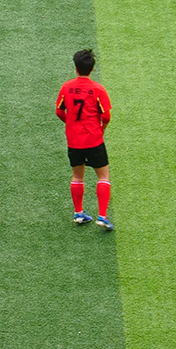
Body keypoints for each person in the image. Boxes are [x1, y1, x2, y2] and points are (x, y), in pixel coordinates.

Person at [55, 48, 114, 230]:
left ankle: (78, 213)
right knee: (103, 176)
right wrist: (101, 129)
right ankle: (102, 216)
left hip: (74, 141)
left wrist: (70, 123)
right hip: (94, 140)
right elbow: (106, 116)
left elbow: (59, 111)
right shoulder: (98, 89)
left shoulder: (66, 87)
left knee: (77, 176)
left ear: (76, 68)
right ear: (92, 69)